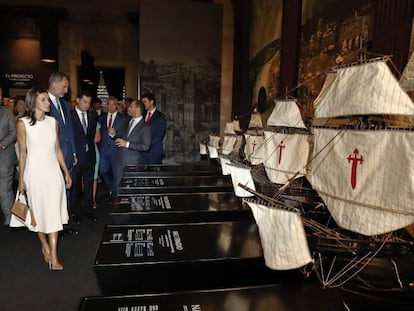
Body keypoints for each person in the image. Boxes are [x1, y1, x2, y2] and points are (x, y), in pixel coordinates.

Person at [12, 87, 72, 271]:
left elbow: (58, 149)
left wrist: (66, 173)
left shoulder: (53, 122)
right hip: (34, 174)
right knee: (38, 214)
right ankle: (44, 245)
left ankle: (53, 256)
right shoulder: (22, 123)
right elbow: (22, 154)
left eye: (47, 100)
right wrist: (21, 180)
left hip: (53, 173)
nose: (48, 103)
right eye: (44, 100)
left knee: (54, 213)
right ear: (34, 102)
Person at [47, 72, 78, 234]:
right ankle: (54, 224)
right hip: (52, 156)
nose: (67, 90)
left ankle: (64, 223)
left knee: (67, 187)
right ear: (54, 84)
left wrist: (73, 152)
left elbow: (69, 130)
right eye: (64, 86)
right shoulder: (42, 103)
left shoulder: (65, 105)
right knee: (54, 190)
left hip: (67, 154)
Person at [69, 90, 99, 224]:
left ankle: (88, 210)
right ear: (78, 100)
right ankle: (74, 212)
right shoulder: (70, 116)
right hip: (76, 157)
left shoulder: (92, 115)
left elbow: (91, 135)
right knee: (75, 186)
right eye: (85, 102)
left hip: (90, 155)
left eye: (89, 102)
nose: (87, 105)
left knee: (88, 184)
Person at [113, 99, 151, 194]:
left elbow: (146, 146)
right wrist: (113, 134)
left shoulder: (145, 127)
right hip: (119, 161)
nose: (128, 108)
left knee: (132, 189)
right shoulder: (127, 121)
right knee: (118, 188)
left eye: (131, 107)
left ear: (137, 109)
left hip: (133, 163)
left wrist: (127, 144)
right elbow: (119, 136)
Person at [98, 95, 126, 199]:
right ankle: (112, 188)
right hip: (104, 149)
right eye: (108, 105)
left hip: (116, 150)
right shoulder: (101, 117)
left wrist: (115, 134)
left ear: (116, 105)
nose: (110, 107)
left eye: (112, 105)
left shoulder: (123, 118)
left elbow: (124, 133)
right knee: (102, 170)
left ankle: (114, 193)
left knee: (116, 173)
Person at [0, 100, 17, 227]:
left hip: (4, 156)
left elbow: (13, 132)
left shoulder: (7, 113)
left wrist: (2, 144)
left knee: (5, 189)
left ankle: (9, 216)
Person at [141, 92, 166, 164]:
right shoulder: (142, 115)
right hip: (142, 153)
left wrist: (146, 145)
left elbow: (159, 135)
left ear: (151, 102)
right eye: (142, 102)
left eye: (145, 101)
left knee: (153, 175)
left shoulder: (160, 117)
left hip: (154, 152)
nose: (143, 104)